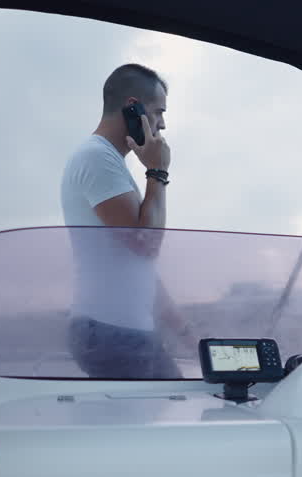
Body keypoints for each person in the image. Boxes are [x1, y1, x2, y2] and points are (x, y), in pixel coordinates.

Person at [60, 63, 193, 378]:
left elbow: (139, 266)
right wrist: (158, 171)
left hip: (119, 331)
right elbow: (146, 244)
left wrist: (186, 333)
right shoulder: (97, 158)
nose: (162, 124)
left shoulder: (108, 163)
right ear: (133, 108)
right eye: (158, 112)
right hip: (111, 332)